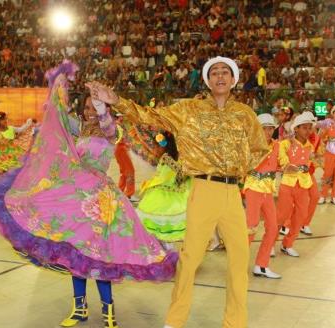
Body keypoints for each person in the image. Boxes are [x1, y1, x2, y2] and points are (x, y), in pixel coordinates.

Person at [0, 62, 178, 328]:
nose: (90, 112)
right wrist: (57, 86)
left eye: (94, 108)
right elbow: (58, 117)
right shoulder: (79, 130)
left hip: (101, 201)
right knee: (76, 255)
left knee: (101, 255)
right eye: (86, 108)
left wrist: (101, 106)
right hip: (75, 199)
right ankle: (79, 309)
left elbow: (108, 125)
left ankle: (108, 313)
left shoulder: (112, 131)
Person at [86, 56, 269, 328]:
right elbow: (152, 116)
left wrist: (237, 166)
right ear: (207, 80)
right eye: (215, 72)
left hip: (233, 193)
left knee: (239, 261)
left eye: (225, 72)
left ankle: (235, 323)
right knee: (190, 259)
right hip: (203, 188)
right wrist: (117, 101)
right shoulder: (189, 109)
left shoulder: (245, 114)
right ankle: (175, 321)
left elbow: (259, 148)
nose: (220, 76)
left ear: (233, 80)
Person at [243, 113, 281, 279]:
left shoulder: (277, 145)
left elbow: (279, 164)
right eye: (264, 128)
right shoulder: (251, 145)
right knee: (250, 227)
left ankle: (262, 265)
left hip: (268, 189)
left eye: (270, 128)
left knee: (273, 227)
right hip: (253, 187)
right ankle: (238, 265)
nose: (268, 131)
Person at [137, 132, 190, 247]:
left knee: (154, 217)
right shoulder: (174, 157)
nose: (154, 149)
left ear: (164, 146)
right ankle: (163, 244)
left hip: (165, 193)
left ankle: (160, 244)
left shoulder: (166, 158)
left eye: (157, 146)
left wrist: (154, 182)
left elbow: (175, 174)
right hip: (171, 190)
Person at [276, 113, 315, 257]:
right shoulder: (285, 144)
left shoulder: (309, 146)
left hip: (303, 185)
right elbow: (282, 160)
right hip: (288, 184)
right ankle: (270, 244)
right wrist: (287, 165)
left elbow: (309, 163)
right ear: (296, 129)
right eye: (304, 128)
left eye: (309, 128)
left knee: (301, 215)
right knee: (281, 215)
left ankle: (288, 244)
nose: (307, 131)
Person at [114, 115, 136, 200]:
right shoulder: (117, 125)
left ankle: (120, 192)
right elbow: (119, 139)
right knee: (130, 170)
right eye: (121, 116)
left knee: (124, 172)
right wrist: (127, 144)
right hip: (121, 149)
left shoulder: (116, 124)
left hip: (119, 149)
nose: (123, 117)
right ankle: (129, 193)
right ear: (118, 117)